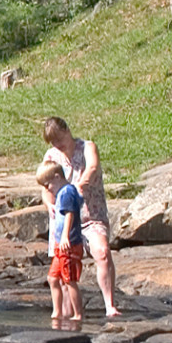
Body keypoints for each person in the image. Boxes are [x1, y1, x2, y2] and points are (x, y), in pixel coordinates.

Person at [39, 116, 119, 318]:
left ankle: (110, 305)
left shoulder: (87, 147)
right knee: (64, 276)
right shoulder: (51, 156)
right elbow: (45, 187)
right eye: (54, 142)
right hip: (64, 223)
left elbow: (92, 167)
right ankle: (66, 318)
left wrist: (80, 185)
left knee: (102, 252)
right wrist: (50, 205)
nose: (58, 145)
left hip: (90, 216)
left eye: (60, 139)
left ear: (67, 130)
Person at [38, 161, 84, 326]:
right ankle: (57, 311)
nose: (47, 188)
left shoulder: (66, 192)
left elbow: (70, 214)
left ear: (57, 177)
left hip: (69, 243)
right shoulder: (61, 193)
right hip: (60, 245)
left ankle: (78, 314)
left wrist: (65, 236)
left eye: (48, 184)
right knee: (52, 278)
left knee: (69, 280)